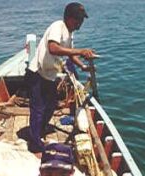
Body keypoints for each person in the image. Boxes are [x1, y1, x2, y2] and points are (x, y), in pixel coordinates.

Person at [26, 2, 97, 153]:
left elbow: (69, 53)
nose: (80, 23)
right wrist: (81, 51)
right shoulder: (58, 26)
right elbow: (53, 48)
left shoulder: (70, 34)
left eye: (81, 20)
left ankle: (39, 130)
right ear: (70, 18)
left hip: (49, 75)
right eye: (78, 20)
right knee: (38, 108)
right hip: (36, 73)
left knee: (51, 104)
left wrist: (83, 66)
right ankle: (35, 145)